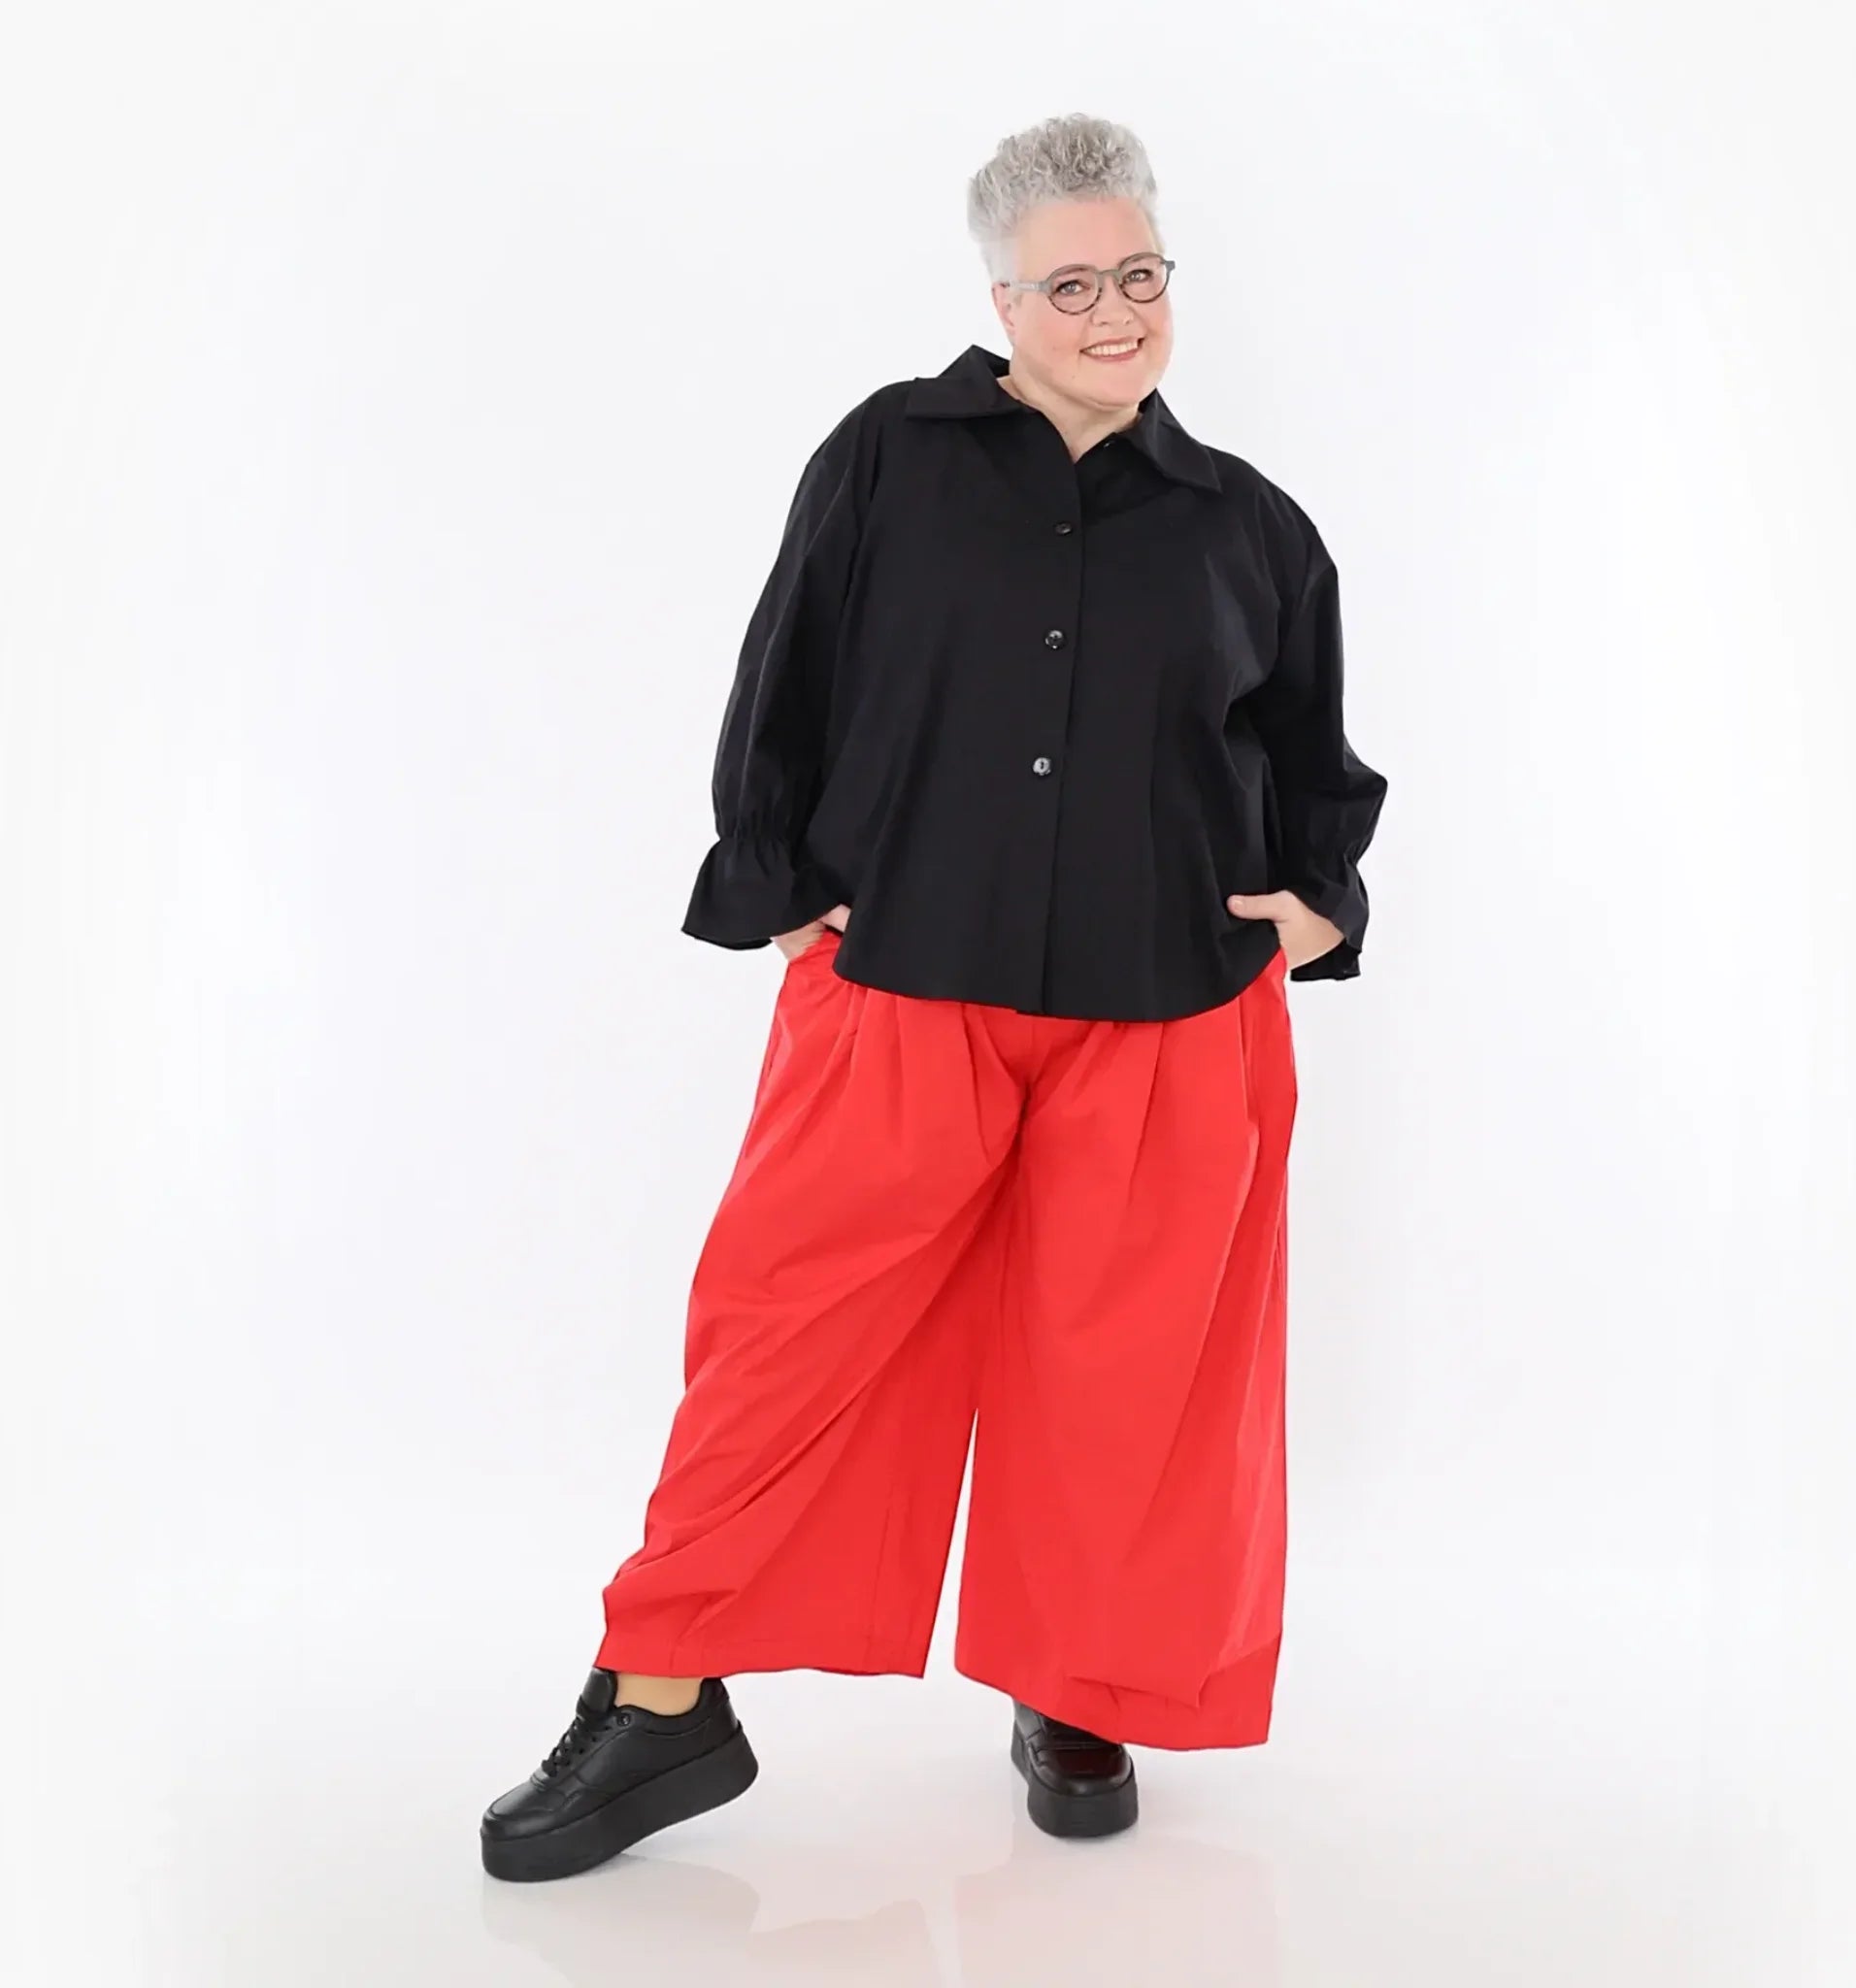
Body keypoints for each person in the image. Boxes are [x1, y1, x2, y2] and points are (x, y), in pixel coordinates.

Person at [480, 110, 1388, 1882]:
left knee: (1126, 1381)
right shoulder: (887, 459)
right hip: (898, 988)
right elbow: (787, 674)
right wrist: (780, 880)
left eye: (1141, 274)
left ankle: (1079, 1686)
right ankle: (662, 1698)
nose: (1116, 311)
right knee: (783, 1337)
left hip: (1169, 1018)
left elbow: (1311, 759)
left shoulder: (1252, 528)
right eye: (1074, 284)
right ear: (1003, 298)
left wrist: (1314, 906)